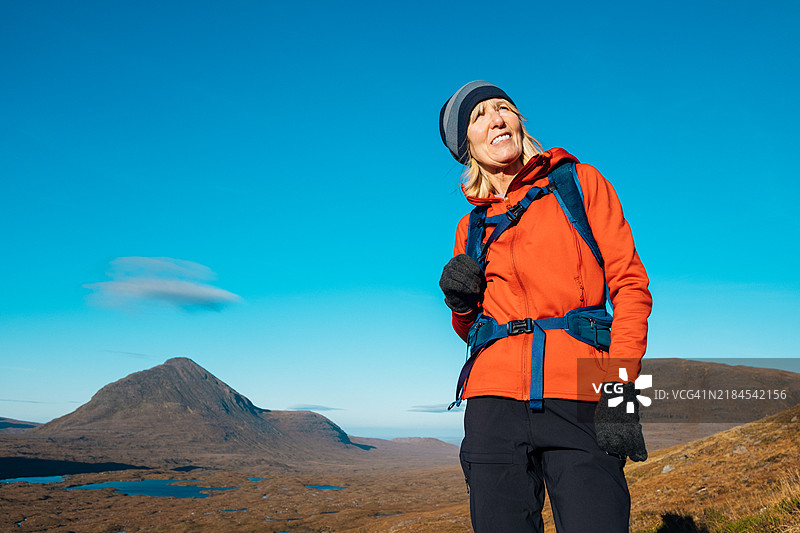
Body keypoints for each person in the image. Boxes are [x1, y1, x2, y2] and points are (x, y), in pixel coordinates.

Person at [438, 80, 652, 533]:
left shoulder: (579, 183)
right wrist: (459, 305)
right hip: (491, 403)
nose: (496, 118)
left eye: (504, 108)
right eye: (478, 116)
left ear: (519, 122)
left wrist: (620, 388)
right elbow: (474, 330)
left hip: (583, 390)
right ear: (466, 147)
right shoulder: (470, 227)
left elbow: (630, 286)